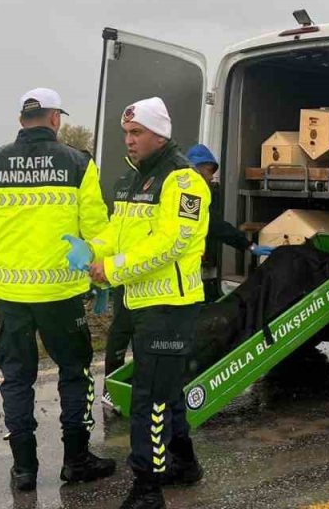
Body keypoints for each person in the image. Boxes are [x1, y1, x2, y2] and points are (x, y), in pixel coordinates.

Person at [0, 88, 115, 492]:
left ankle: (24, 469)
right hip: (62, 294)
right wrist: (103, 277)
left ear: (22, 119)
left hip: (10, 296)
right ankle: (76, 461)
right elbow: (96, 229)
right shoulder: (79, 163)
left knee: (16, 379)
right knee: (74, 374)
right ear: (55, 119)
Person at [79, 97, 212, 509]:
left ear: (160, 135)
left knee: (148, 399)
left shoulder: (184, 182)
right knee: (167, 392)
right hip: (141, 302)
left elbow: (172, 243)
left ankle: (147, 488)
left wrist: (113, 269)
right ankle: (185, 464)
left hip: (170, 307)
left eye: (136, 133)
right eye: (127, 134)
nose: (129, 141)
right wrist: (90, 252)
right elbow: (117, 232)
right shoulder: (135, 179)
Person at [185, 144, 272, 300]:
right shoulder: (189, 196)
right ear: (197, 169)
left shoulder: (177, 190)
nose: (212, 177)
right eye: (209, 171)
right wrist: (249, 246)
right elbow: (217, 226)